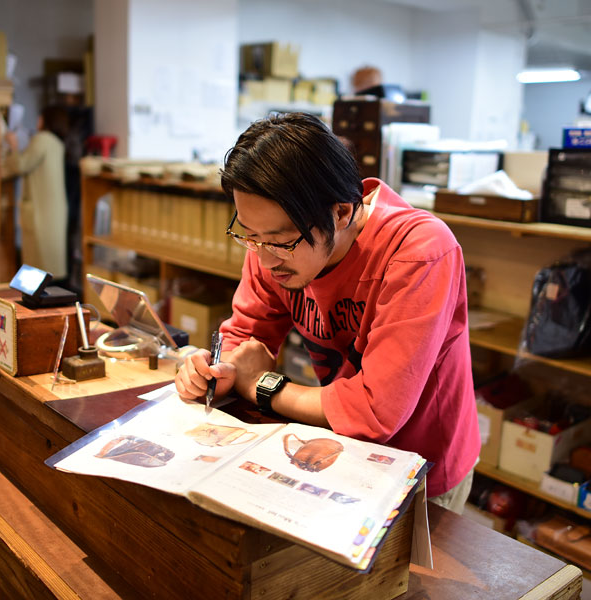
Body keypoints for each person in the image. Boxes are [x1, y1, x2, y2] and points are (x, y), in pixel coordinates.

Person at [175, 112, 480, 513]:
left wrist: (260, 386)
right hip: (337, 450)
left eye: (281, 241)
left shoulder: (418, 252)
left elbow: (376, 411)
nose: (265, 260)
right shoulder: (271, 247)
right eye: (250, 236)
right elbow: (244, 343)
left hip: (419, 466)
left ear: (340, 213)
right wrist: (213, 373)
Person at [2, 105, 69, 281]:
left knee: (39, 265)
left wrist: (13, 145)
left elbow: (21, 165)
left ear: (46, 120)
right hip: (53, 210)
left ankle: (38, 302)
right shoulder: (56, 142)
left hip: (41, 210)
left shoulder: (42, 139)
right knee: (50, 260)